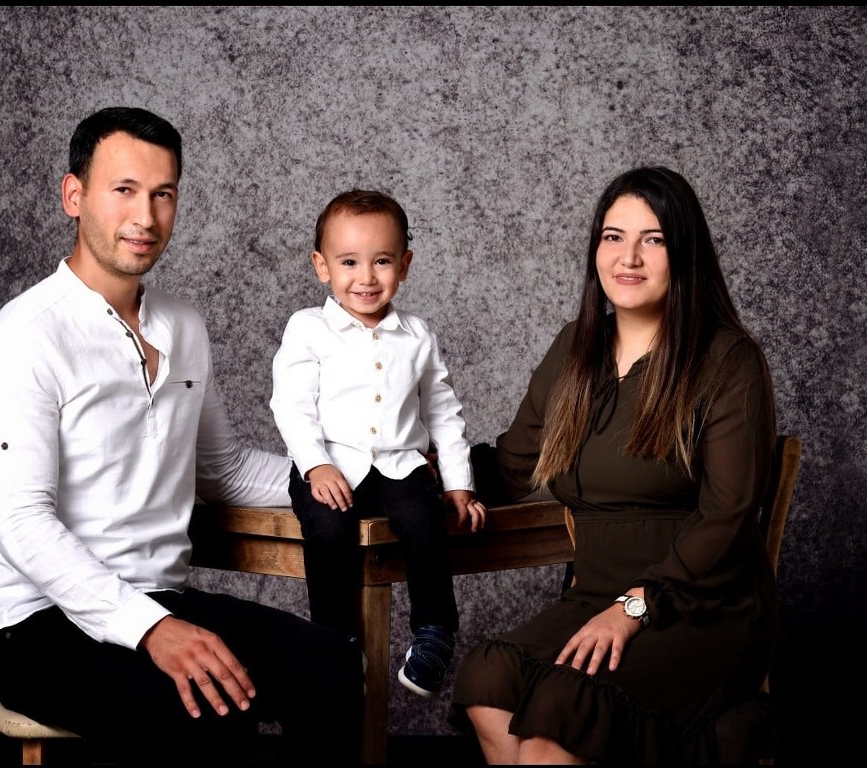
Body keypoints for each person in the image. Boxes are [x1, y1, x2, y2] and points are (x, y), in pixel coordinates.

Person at [0, 107, 363, 765]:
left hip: (162, 597)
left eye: (162, 193)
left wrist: (355, 475)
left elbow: (224, 472)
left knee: (330, 665)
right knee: (210, 709)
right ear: (74, 196)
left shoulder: (183, 327)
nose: (145, 217)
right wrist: (150, 629)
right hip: (37, 623)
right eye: (123, 190)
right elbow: (23, 525)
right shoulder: (24, 338)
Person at [448, 166, 778, 764]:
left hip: (700, 607)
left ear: (685, 254)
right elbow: (511, 469)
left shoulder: (728, 360)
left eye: (654, 239)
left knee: (561, 714)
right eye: (613, 236)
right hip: (594, 595)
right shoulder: (576, 350)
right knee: (488, 677)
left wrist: (635, 607)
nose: (629, 257)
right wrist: (423, 468)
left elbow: (729, 514)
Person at [269, 189, 487, 699]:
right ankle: (337, 641)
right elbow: (291, 405)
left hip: (400, 465)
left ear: (404, 265)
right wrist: (315, 465)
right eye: (349, 262)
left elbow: (443, 412)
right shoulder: (308, 329)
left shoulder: (417, 335)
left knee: (425, 523)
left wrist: (459, 484)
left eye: (382, 261)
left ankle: (434, 630)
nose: (366, 277)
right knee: (327, 530)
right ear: (321, 266)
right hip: (331, 465)